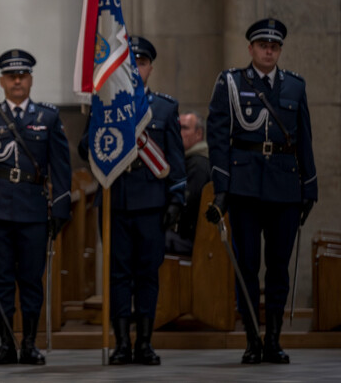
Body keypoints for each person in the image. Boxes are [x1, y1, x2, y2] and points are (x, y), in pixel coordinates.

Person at [205, 18, 316, 365]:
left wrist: (309, 188)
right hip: (246, 188)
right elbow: (219, 139)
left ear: (279, 50)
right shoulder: (232, 83)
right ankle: (253, 338)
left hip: (284, 186)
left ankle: (273, 339)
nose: (269, 50)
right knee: (248, 264)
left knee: (279, 266)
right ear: (251, 48)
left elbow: (305, 140)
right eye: (263, 45)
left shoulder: (295, 86)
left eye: (275, 46)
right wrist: (222, 190)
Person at [79, 35, 186, 366]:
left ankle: (145, 344)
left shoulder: (165, 107)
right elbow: (85, 149)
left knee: (148, 276)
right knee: (117, 276)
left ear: (150, 68)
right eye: (130, 64)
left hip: (151, 204)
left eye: (141, 63)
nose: (136, 69)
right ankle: (122, 343)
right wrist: (101, 121)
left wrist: (176, 200)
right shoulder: (106, 104)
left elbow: (176, 160)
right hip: (116, 201)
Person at [0, 49, 71, 366]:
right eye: (11, 76)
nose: (17, 80)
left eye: (22, 75)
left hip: (34, 210)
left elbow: (61, 168)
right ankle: (6, 343)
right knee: (1, 280)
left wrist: (61, 210)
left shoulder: (48, 117)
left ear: (31, 80)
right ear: (2, 81)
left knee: (32, 280)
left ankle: (30, 344)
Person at [165, 112, 210, 255]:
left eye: (184, 128)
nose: (179, 132)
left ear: (198, 133)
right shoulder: (186, 160)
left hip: (192, 239)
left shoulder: (198, 164)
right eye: (178, 128)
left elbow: (188, 206)